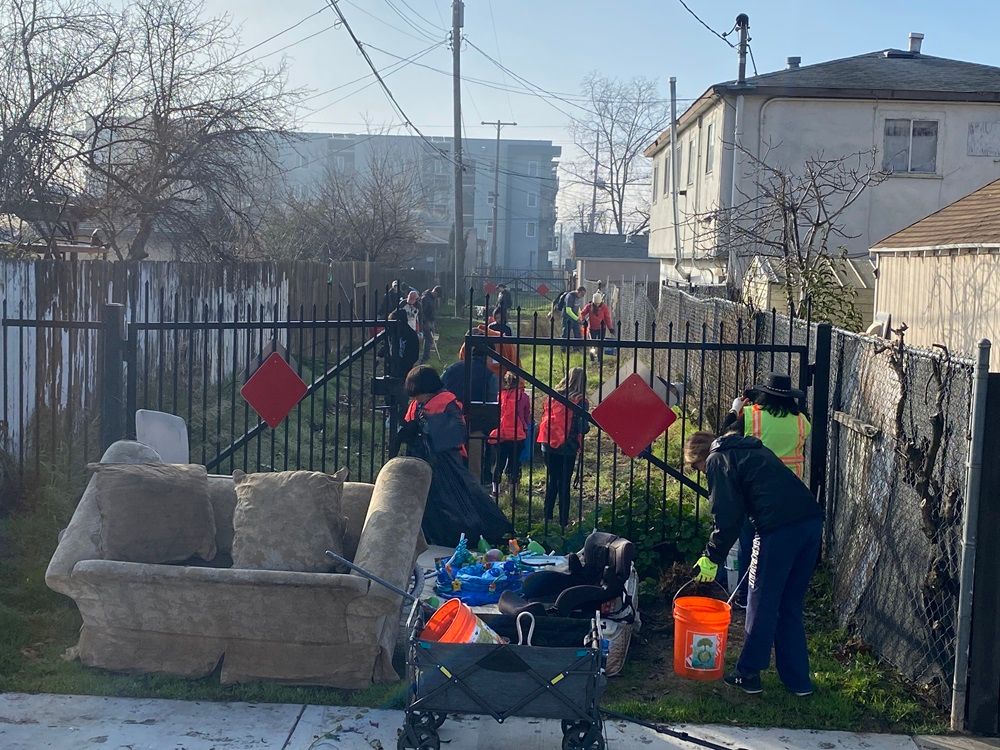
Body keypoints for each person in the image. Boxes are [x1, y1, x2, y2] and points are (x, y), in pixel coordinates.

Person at [684, 430, 823, 697]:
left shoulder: (717, 459)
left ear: (700, 456)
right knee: (789, 604)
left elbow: (726, 517)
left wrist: (712, 556)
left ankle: (748, 674)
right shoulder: (749, 449)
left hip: (776, 529)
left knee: (761, 603)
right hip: (810, 522)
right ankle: (798, 682)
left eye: (695, 466)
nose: (699, 471)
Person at [720, 373, 812, 607]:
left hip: (756, 493)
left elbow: (724, 437)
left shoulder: (751, 417)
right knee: (778, 548)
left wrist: (735, 409)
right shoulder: (803, 421)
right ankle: (775, 593)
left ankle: (744, 596)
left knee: (749, 543)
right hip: (792, 494)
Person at [399, 366, 513, 545]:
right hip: (423, 461)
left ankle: (474, 534)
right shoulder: (416, 404)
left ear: (425, 389)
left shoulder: (447, 401)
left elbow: (458, 432)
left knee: (459, 499)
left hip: (448, 461)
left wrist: (430, 425)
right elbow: (408, 426)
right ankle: (432, 536)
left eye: (416, 394)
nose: (414, 398)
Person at [537, 367, 590, 528]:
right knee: (564, 483)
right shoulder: (580, 400)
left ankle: (547, 517)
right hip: (567, 446)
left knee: (552, 479)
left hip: (547, 443)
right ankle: (563, 521)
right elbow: (582, 427)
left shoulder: (553, 396)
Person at [489, 372, 531, 498]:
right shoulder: (523, 397)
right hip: (517, 434)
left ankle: (495, 489)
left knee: (499, 462)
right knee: (514, 462)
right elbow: (526, 415)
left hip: (501, 434)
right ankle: (513, 488)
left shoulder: (500, 396)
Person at [580, 292, 614, 360]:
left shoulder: (604, 307)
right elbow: (582, 313)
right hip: (592, 328)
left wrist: (610, 328)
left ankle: (599, 357)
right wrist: (583, 320)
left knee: (600, 344)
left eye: (598, 303)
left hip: (602, 328)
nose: (597, 305)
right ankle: (592, 356)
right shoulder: (589, 306)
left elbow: (607, 318)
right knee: (592, 343)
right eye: (596, 303)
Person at [419, 286, 443, 363]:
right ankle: (425, 358)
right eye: (437, 295)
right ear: (435, 292)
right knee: (428, 338)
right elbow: (422, 312)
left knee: (431, 338)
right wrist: (424, 322)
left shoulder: (432, 299)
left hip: (431, 321)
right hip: (426, 321)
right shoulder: (425, 298)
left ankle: (427, 355)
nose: (437, 297)